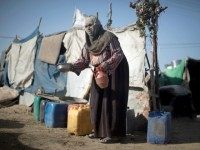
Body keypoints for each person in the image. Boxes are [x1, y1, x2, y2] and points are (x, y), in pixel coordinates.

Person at [58, 15, 129, 143]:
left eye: (90, 25)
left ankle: (112, 134)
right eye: (86, 26)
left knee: (111, 102)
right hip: (99, 71)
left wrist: (105, 65)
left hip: (116, 70)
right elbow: (84, 60)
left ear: (97, 24)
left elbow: (118, 53)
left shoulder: (109, 37)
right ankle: (97, 131)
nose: (88, 28)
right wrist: (72, 66)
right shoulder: (88, 43)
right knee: (96, 100)